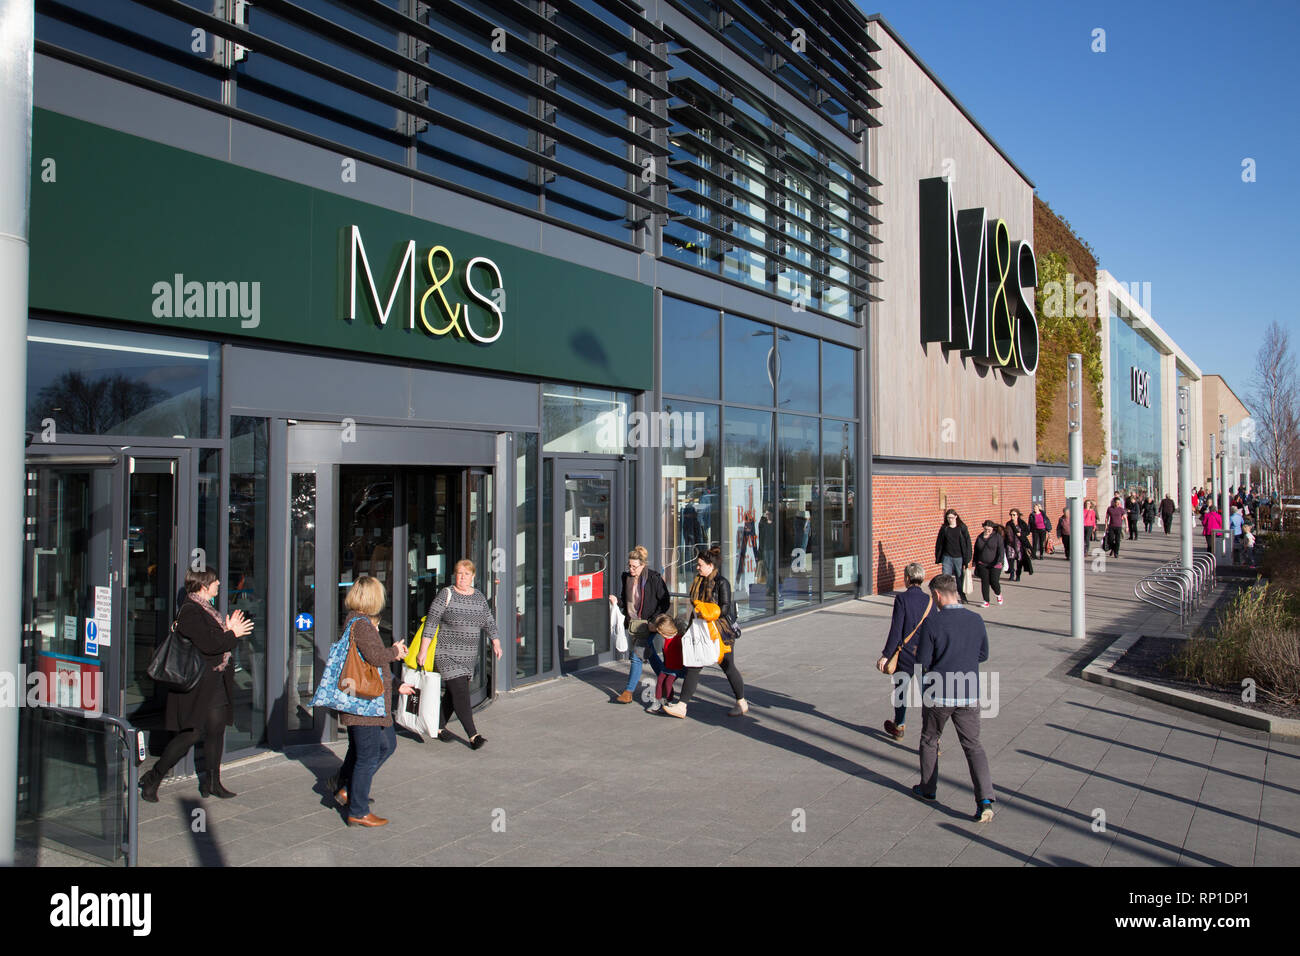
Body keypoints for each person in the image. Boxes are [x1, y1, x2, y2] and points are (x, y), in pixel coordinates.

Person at [139, 569, 254, 803]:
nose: (219, 583)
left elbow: (214, 640)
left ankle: (212, 783)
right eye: (214, 581)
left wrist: (228, 629)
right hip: (197, 685)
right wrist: (233, 633)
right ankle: (154, 777)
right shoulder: (191, 611)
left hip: (215, 680)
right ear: (203, 586)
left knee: (216, 730)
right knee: (191, 734)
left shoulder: (206, 609)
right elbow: (210, 645)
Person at [329, 576, 413, 827]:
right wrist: (395, 652)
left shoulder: (360, 623)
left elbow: (372, 666)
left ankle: (349, 789)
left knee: (385, 745)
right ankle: (357, 809)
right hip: (365, 704)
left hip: (373, 701)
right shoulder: (361, 624)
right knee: (368, 754)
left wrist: (398, 685)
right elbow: (376, 658)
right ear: (372, 598)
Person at [912, 574, 995, 822]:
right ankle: (985, 800)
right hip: (968, 692)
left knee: (930, 739)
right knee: (973, 745)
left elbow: (923, 662)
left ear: (937, 594)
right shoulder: (976, 619)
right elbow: (983, 654)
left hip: (939, 693)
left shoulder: (933, 623)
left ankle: (928, 789)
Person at [418, 559, 502, 749]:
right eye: (459, 573)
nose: (462, 577)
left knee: (453, 693)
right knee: (461, 693)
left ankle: (438, 726)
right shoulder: (446, 594)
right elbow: (431, 623)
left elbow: (488, 621)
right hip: (446, 654)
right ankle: (473, 735)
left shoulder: (479, 597)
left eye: (466, 574)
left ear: (473, 576)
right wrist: (423, 651)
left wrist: (495, 641)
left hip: (468, 657)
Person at [663, 546, 745, 719]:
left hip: (720, 633)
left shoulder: (721, 582)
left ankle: (741, 701)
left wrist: (706, 611)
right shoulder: (698, 582)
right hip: (700, 632)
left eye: (700, 564)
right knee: (694, 666)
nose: (697, 567)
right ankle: (682, 706)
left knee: (728, 667)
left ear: (710, 565)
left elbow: (724, 608)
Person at [875, 562, 932, 740]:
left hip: (905, 655)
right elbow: (934, 629)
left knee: (901, 692)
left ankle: (899, 725)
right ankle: (932, 736)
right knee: (928, 697)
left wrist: (886, 655)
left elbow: (896, 630)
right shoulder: (929, 601)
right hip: (925, 655)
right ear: (921, 578)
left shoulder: (902, 599)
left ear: (907, 578)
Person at [609, 546, 670, 704]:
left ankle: (628, 691)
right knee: (649, 654)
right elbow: (625, 600)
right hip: (634, 623)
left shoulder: (653, 578)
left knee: (636, 655)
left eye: (634, 566)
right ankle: (665, 680)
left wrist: (654, 621)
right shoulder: (626, 577)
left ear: (643, 565)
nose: (631, 569)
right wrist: (617, 601)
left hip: (649, 623)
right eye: (629, 565)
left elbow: (665, 602)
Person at [933, 508, 972, 603]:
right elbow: (939, 543)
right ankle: (946, 596)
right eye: (948, 518)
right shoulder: (944, 529)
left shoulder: (962, 528)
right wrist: (938, 556)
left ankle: (962, 596)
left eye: (951, 517)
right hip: (947, 557)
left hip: (959, 557)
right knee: (946, 578)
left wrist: (967, 559)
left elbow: (968, 543)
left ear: (956, 517)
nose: (950, 519)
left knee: (959, 578)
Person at [649, 613, 685, 712]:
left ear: (668, 630)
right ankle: (658, 701)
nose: (661, 635)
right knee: (660, 680)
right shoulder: (665, 639)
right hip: (667, 666)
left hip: (677, 667)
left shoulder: (678, 639)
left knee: (668, 682)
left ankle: (668, 702)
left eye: (662, 633)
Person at [971, 520, 1005, 608]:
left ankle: (998, 594)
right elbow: (976, 551)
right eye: (986, 529)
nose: (987, 530)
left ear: (992, 528)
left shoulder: (997, 537)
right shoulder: (979, 537)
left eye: (989, 529)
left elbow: (1001, 550)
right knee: (984, 582)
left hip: (995, 564)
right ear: (984, 528)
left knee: (994, 581)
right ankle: (986, 601)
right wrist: (974, 563)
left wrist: (1000, 561)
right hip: (982, 563)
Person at [1006, 509, 1032, 580]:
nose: (1012, 516)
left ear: (1017, 515)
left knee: (1019, 560)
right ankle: (1011, 574)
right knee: (1010, 560)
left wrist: (1021, 534)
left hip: (1019, 544)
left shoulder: (1022, 523)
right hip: (1010, 545)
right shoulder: (1008, 523)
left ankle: (1018, 575)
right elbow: (1006, 533)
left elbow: (1027, 532)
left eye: (1014, 515)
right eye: (1011, 515)